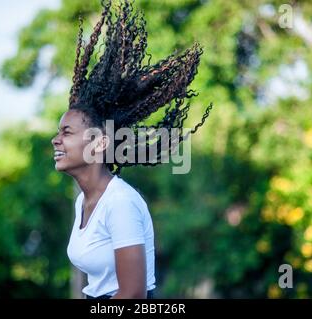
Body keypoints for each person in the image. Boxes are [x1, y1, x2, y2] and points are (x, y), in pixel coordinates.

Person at [51, 0, 213, 299]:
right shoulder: (84, 202)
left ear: (99, 143)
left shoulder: (120, 203)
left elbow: (133, 295)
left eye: (67, 132)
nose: (55, 140)